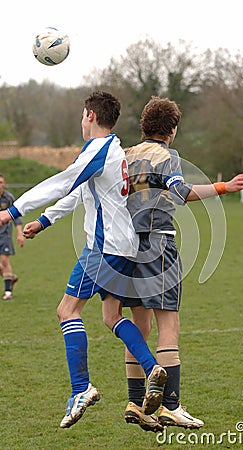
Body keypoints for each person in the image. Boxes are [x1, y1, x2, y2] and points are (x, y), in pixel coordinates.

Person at [0, 91, 167, 429]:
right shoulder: (113, 151)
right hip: (125, 248)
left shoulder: (98, 149)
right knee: (110, 316)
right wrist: (45, 220)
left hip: (104, 248)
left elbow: (63, 183)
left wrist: (12, 211)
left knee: (67, 310)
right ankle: (152, 369)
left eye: (81, 116)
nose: (81, 121)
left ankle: (81, 388)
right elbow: (79, 191)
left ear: (90, 115)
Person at [122, 96, 243, 432]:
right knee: (169, 326)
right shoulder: (167, 155)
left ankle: (136, 404)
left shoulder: (126, 155)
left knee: (140, 328)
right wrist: (226, 186)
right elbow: (181, 192)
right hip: (157, 243)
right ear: (173, 130)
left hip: (124, 247)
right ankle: (171, 406)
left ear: (144, 126)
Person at [0, 173, 24, 300]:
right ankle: (10, 277)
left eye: (1, 182)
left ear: (4, 184)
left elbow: (16, 216)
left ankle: (8, 291)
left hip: (5, 234)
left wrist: (20, 233)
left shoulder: (8, 198)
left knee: (4, 260)